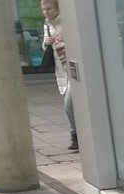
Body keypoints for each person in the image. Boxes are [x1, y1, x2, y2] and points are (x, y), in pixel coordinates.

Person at [40, 0, 77, 150]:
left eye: (49, 9)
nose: (46, 12)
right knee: (69, 104)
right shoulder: (47, 25)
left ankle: (76, 135)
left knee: (69, 104)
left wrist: (64, 40)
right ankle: (74, 136)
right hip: (60, 70)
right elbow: (45, 47)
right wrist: (47, 42)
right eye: (43, 9)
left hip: (73, 70)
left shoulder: (67, 22)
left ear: (57, 8)